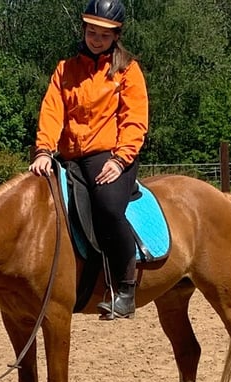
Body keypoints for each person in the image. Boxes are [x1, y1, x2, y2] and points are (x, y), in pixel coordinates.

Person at [28, 0, 149, 319]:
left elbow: (134, 119)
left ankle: (124, 289)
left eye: (104, 35)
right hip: (69, 157)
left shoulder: (127, 70)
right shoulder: (65, 69)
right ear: (84, 30)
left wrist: (120, 160)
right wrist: (43, 150)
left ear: (116, 36)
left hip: (109, 156)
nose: (96, 39)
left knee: (108, 207)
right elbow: (52, 112)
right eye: (91, 32)